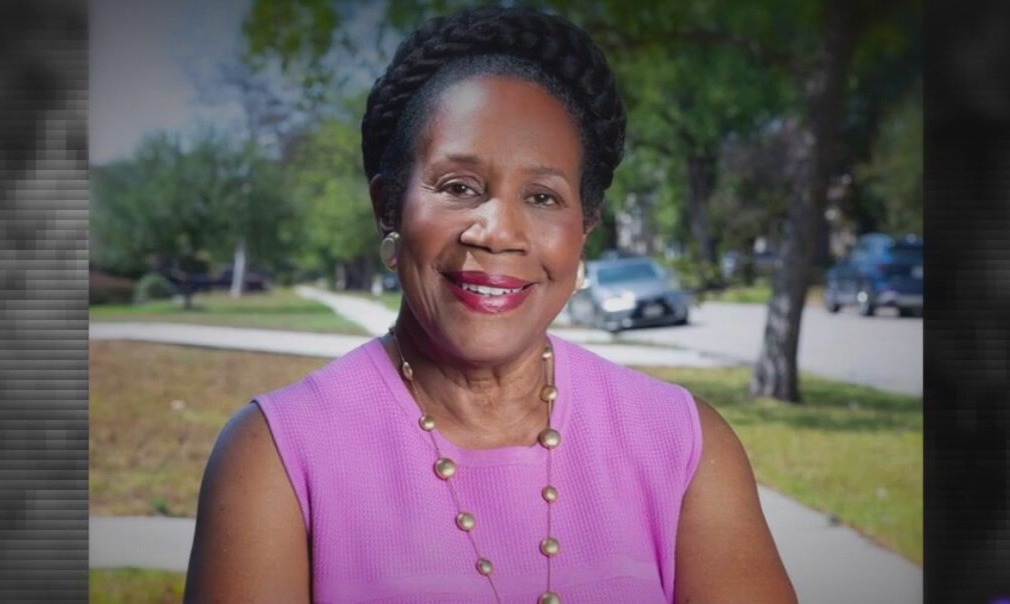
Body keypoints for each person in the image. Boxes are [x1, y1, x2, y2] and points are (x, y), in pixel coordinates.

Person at [184, 6, 796, 603]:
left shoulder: (684, 446)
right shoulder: (276, 455)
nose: (498, 233)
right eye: (459, 187)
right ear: (388, 208)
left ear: (584, 227)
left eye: (543, 196)